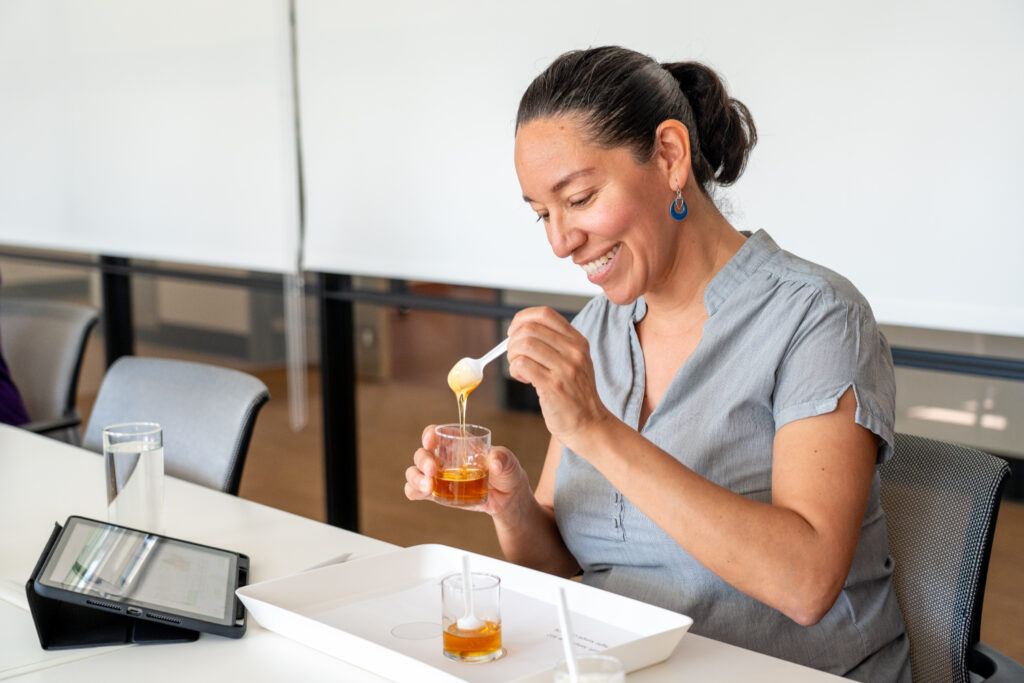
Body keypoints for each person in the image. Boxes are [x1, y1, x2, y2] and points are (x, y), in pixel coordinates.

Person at [405, 46, 910, 681]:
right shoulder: (596, 333)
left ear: (669, 156)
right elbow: (562, 571)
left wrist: (595, 429)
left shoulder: (818, 319)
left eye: (580, 197)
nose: (560, 241)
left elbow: (806, 583)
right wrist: (511, 508)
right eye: (542, 214)